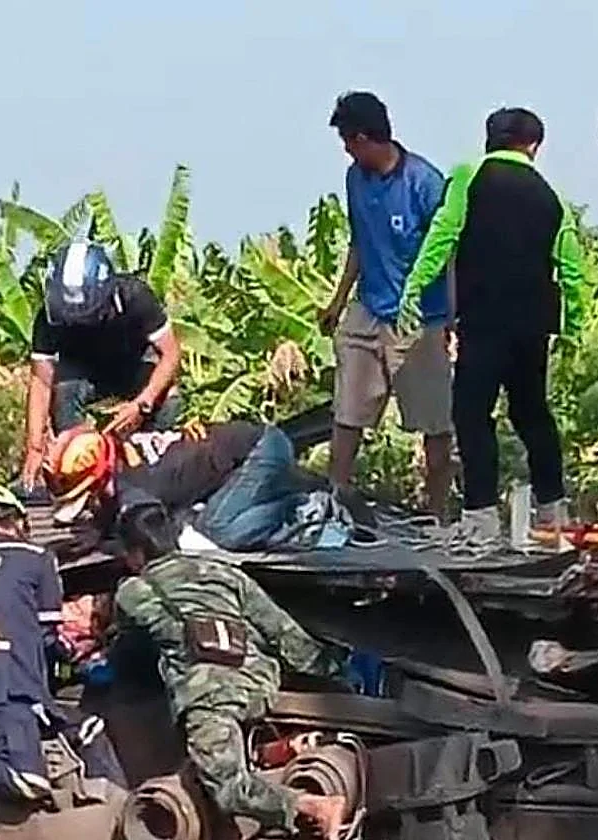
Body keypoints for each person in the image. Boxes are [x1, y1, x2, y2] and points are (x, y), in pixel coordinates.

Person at [400, 107, 585, 545]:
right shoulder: (549, 195)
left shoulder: (468, 175)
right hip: (534, 322)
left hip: (484, 318)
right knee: (532, 412)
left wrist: (415, 285)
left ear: (490, 139)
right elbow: (572, 268)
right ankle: (552, 510)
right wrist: (573, 324)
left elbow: (444, 233)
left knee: (471, 411)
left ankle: (481, 517)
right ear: (534, 145)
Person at [111, 502, 350, 839]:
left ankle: (312, 806)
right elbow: (284, 633)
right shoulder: (222, 572)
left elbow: (126, 652)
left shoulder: (133, 591)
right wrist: (336, 675)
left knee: (228, 789)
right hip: (260, 684)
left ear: (135, 552)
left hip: (209, 697)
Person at [0, 485, 122, 806]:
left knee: (87, 728)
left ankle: (109, 808)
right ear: (18, 521)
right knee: (28, 781)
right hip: (7, 690)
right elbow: (47, 636)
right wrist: (80, 664)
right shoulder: (36, 558)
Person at [318, 91, 456, 521]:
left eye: (347, 140)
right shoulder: (355, 180)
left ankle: (438, 516)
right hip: (368, 309)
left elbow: (451, 251)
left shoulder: (425, 183)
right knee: (348, 413)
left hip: (419, 319)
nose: (345, 150)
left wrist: (453, 316)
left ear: (363, 137)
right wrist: (338, 301)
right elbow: (359, 241)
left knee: (434, 422)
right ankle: (334, 504)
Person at [20, 239, 183, 489]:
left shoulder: (135, 297)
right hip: (85, 373)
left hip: (132, 366)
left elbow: (171, 354)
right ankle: (76, 467)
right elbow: (41, 380)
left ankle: (150, 466)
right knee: (63, 391)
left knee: (169, 397)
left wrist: (142, 403)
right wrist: (34, 446)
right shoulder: (48, 317)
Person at [43, 419, 325, 551]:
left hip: (263, 449)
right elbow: (111, 498)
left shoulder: (143, 484)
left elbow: (161, 544)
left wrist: (111, 544)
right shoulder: (125, 462)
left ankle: (296, 504)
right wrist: (97, 530)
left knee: (216, 533)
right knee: (202, 518)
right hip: (239, 458)